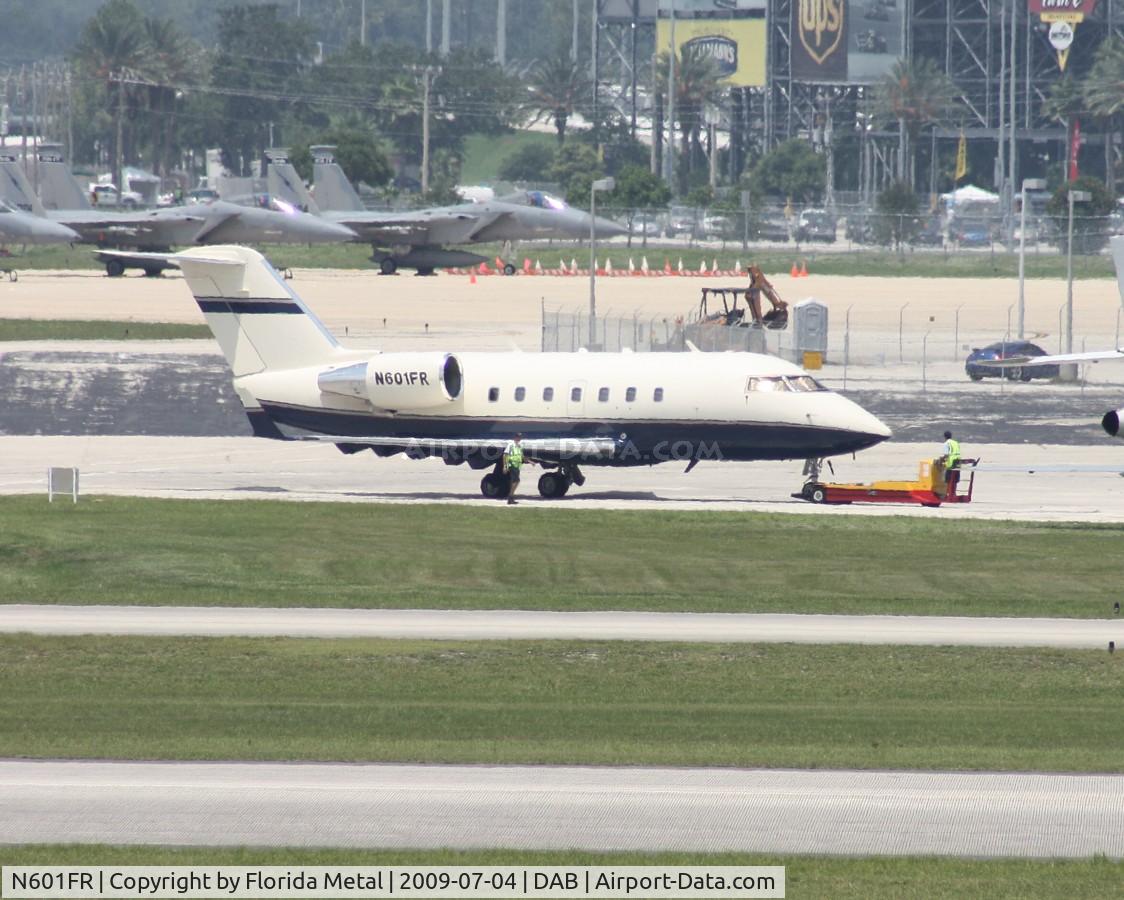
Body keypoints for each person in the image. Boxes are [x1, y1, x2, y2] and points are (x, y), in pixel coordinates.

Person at [502, 433, 524, 505]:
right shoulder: (511, 445)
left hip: (517, 465)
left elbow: (521, 456)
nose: (519, 438)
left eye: (520, 437)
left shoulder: (519, 446)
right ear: (515, 437)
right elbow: (505, 455)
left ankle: (511, 497)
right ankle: (510, 496)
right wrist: (505, 466)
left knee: (515, 481)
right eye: (518, 437)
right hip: (512, 465)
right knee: (516, 481)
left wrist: (530, 461)